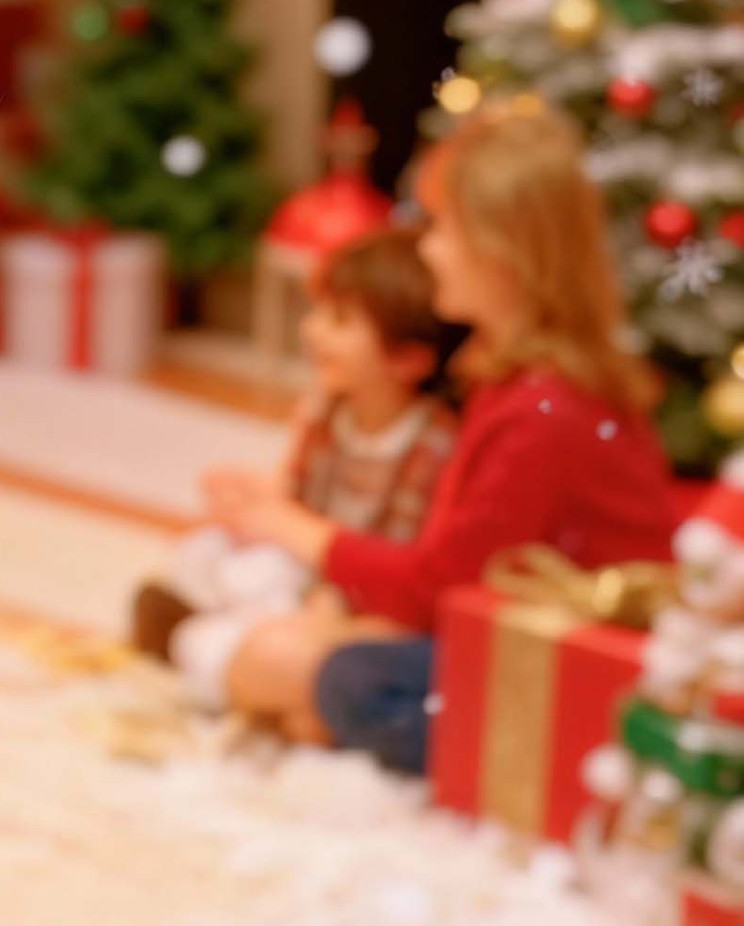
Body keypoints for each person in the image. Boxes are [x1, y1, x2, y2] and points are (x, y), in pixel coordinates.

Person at [208, 107, 677, 773]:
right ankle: (319, 707)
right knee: (297, 649)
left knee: (319, 670)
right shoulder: (516, 379)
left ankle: (335, 714)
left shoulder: (545, 410)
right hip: (510, 630)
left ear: (502, 252)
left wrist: (291, 527)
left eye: (442, 229)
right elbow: (457, 571)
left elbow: (439, 593)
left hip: (576, 667)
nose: (426, 250)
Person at [131, 229, 457, 713]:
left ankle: (218, 647)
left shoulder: (430, 445)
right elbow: (296, 495)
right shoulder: (329, 411)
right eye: (319, 312)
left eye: (339, 320)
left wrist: (322, 590)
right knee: (206, 554)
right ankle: (217, 635)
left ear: (408, 359)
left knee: (252, 603)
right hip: (305, 565)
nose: (312, 330)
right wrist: (250, 501)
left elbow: (397, 560)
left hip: (357, 591)